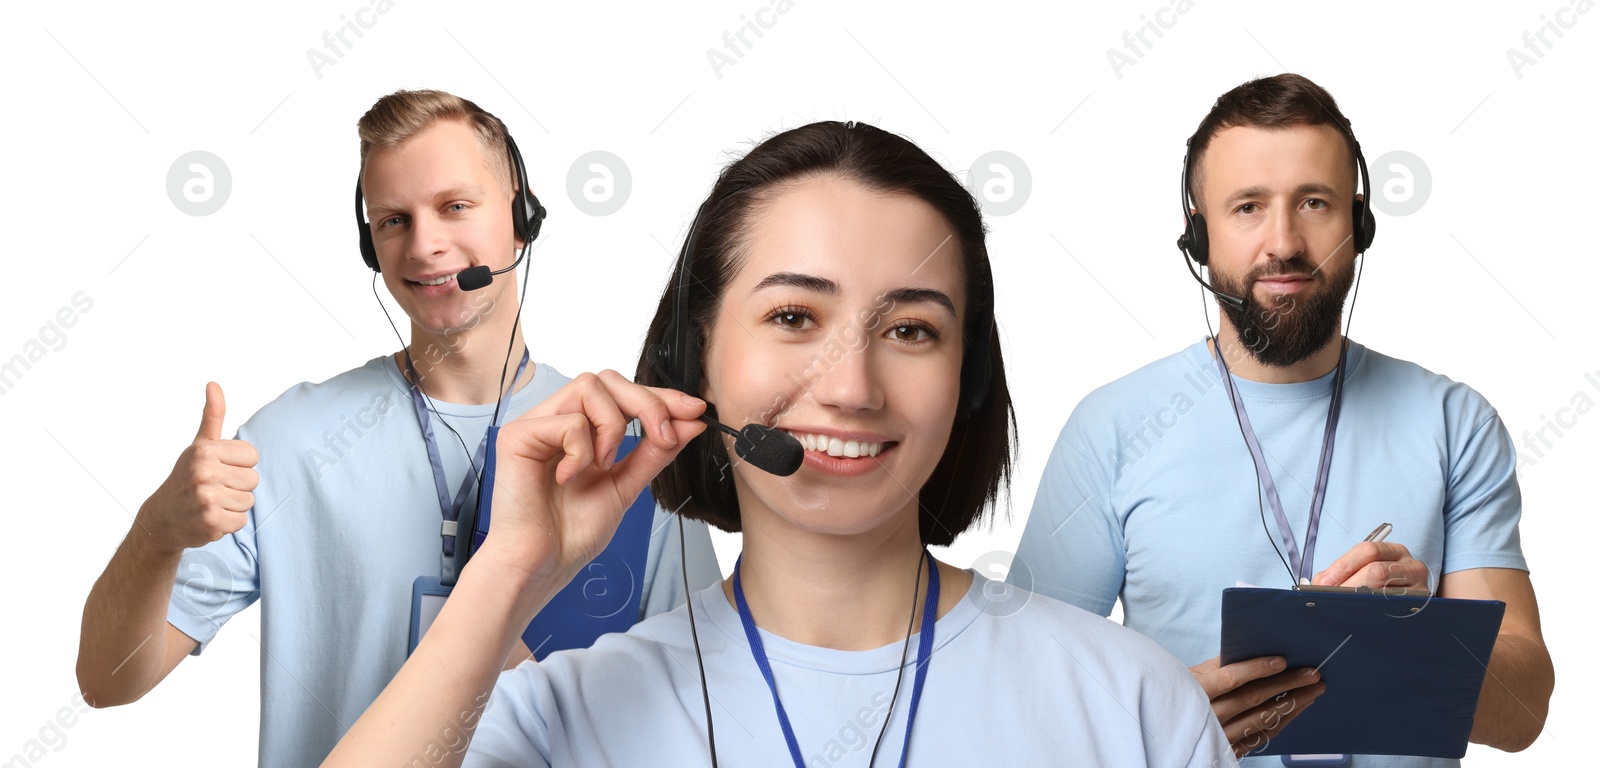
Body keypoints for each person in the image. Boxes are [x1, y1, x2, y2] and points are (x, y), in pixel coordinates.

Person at [321, 120, 1236, 767]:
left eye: (912, 330)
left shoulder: (1134, 707)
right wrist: (510, 571)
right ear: (697, 356)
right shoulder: (562, 717)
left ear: (970, 382)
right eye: (794, 316)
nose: (850, 387)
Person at [74, 89, 720, 767]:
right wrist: (156, 534)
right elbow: (106, 681)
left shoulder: (624, 445)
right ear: (369, 245)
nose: (425, 245)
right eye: (391, 221)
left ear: (522, 218)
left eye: (454, 206)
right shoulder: (290, 442)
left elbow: (702, 715)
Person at [1011, 73, 1555, 765]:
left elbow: (1524, 712)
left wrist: (1415, 635)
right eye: (1247, 207)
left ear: (1358, 227)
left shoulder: (1455, 423)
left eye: (1315, 203)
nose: (1284, 242)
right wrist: (1163, 717)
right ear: (1199, 236)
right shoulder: (1112, 426)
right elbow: (1019, 694)